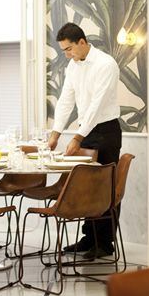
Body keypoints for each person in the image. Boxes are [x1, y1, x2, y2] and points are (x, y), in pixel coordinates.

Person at [49, 22, 122, 260]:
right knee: (87, 186)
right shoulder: (73, 66)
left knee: (104, 187)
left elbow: (96, 105)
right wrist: (56, 133)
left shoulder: (105, 64)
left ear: (82, 42)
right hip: (87, 129)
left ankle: (105, 243)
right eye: (64, 51)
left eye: (69, 49)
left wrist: (78, 137)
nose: (67, 55)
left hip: (107, 130)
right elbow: (65, 100)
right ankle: (88, 238)